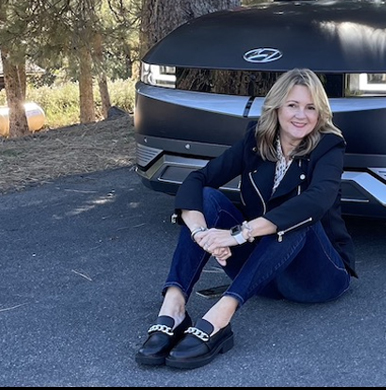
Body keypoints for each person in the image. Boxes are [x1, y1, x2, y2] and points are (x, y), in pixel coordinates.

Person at [135, 68, 357, 370]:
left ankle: (220, 317)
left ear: (320, 113)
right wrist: (202, 234)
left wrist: (238, 234)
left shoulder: (329, 146)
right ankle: (174, 307)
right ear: (277, 106)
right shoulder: (256, 140)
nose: (301, 116)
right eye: (292, 105)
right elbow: (198, 180)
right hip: (263, 275)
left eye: (310, 108)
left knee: (297, 217)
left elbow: (316, 200)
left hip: (318, 277)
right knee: (207, 197)